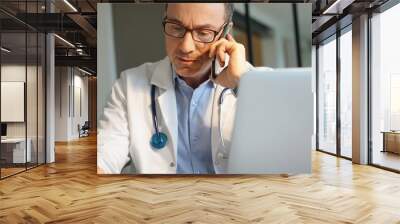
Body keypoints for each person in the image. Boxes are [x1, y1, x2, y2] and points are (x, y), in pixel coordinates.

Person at [97, 3, 253, 174]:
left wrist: (242, 83)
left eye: (203, 33)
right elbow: (105, 153)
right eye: (176, 28)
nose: (186, 47)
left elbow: (278, 152)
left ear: (225, 33)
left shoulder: (257, 85)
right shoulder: (129, 84)